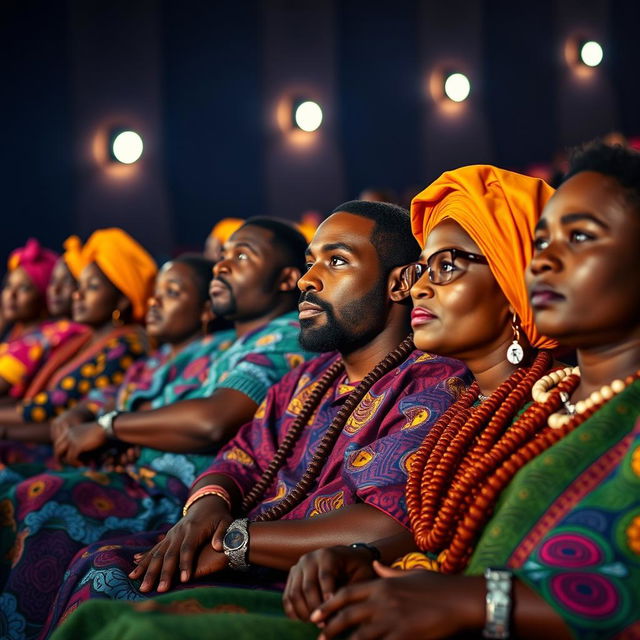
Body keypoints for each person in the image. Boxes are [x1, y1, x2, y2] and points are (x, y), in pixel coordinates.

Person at [51, 165, 562, 640]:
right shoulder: (312, 376)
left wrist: (238, 542)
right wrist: (209, 510)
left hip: (308, 587)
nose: (306, 280)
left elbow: (399, 525)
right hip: (300, 571)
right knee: (98, 564)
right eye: (309, 263)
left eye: (336, 261)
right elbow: (241, 452)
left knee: (107, 587)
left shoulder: (444, 383)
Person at [283, 144, 640, 640]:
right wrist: (372, 566)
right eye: (538, 244)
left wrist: (474, 601)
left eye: (579, 236)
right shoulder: (536, 405)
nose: (541, 264)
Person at [0, 218, 312, 640]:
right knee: (31, 497)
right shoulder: (220, 346)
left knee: (53, 515)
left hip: (180, 499)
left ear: (287, 279)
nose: (220, 266)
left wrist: (114, 429)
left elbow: (210, 421)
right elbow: (119, 401)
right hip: (158, 486)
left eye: (240, 256)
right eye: (221, 257)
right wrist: (99, 422)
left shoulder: (284, 336)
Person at [0, 229, 155, 443]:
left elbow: (51, 409)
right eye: (79, 286)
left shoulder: (126, 347)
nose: (77, 294)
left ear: (122, 300)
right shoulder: (85, 340)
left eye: (91, 287)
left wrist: (4, 432)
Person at [0, 238, 88, 400]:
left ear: (42, 295)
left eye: (24, 288)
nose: (11, 295)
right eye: (8, 286)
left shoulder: (41, 339)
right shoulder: (17, 335)